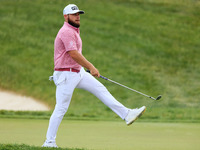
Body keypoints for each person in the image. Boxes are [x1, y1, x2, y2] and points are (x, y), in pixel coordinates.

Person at [42, 4, 146, 148]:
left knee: (101, 89)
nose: (77, 17)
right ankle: (49, 142)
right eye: (74, 14)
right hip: (66, 74)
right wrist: (90, 66)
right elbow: (73, 53)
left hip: (77, 72)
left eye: (78, 14)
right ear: (66, 17)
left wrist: (85, 69)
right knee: (61, 108)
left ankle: (127, 114)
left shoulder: (74, 30)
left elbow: (74, 55)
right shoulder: (66, 31)